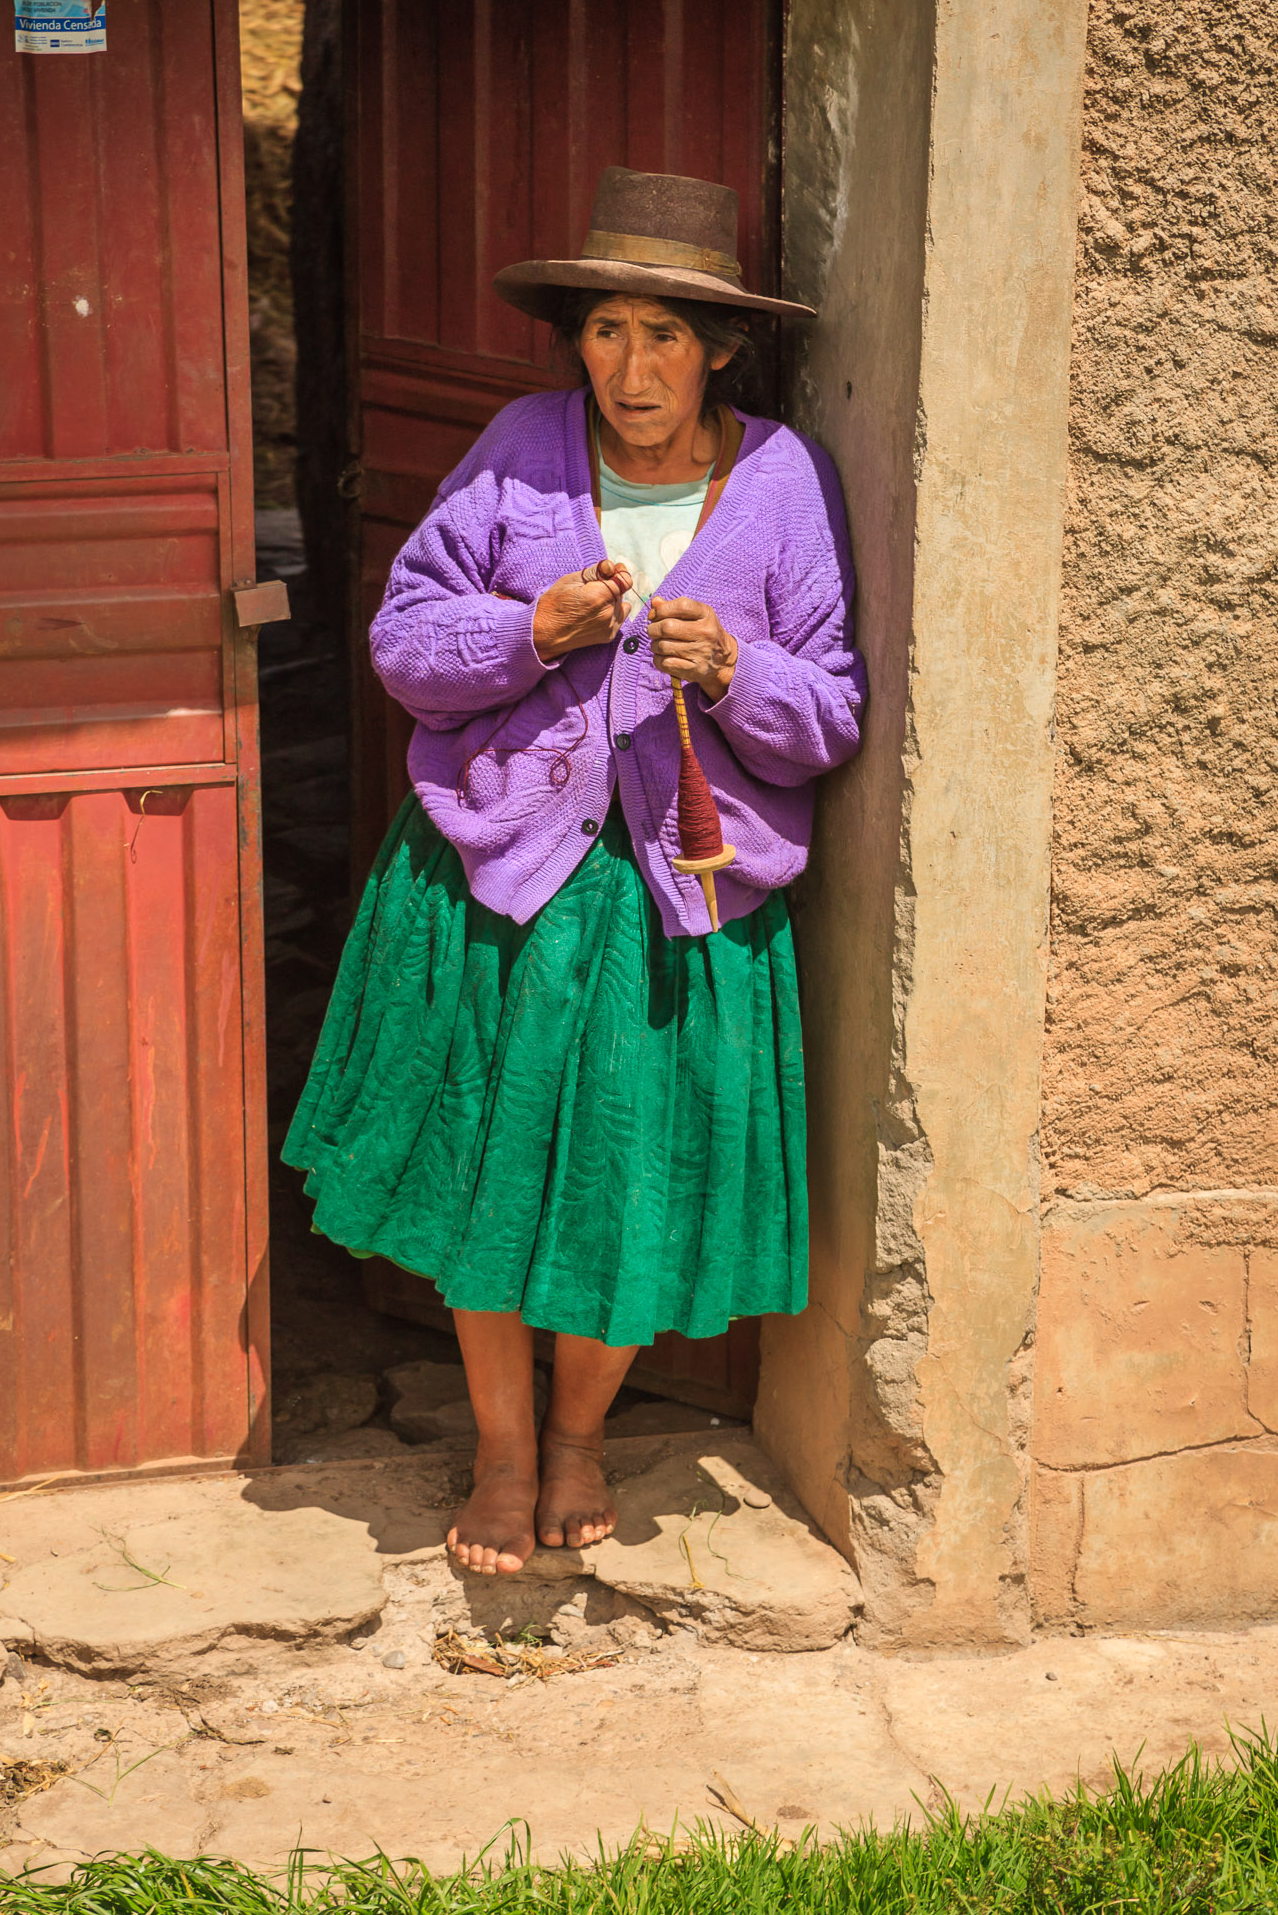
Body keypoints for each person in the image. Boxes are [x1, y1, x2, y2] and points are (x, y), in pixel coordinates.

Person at [282, 166, 867, 1575]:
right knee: (487, 1169)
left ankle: (579, 1438)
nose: (630, 365)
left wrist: (731, 666)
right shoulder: (518, 449)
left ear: (719, 347)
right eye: (606, 330)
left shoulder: (782, 480)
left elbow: (834, 712)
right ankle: (495, 1449)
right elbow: (405, 645)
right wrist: (527, 630)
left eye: (663, 334)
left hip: (676, 898)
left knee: (631, 1177)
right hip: (501, 877)